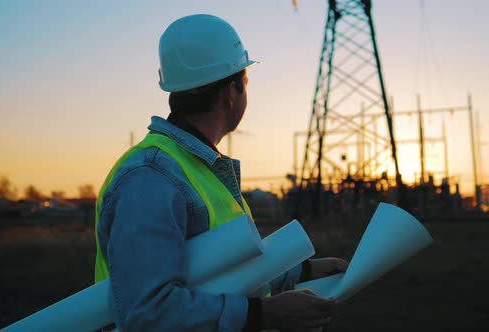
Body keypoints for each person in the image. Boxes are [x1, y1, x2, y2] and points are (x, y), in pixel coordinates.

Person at [94, 14, 349, 331]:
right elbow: (148, 312)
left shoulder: (193, 167)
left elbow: (214, 267)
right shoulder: (150, 177)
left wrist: (300, 272)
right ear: (231, 93)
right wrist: (264, 314)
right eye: (245, 81)